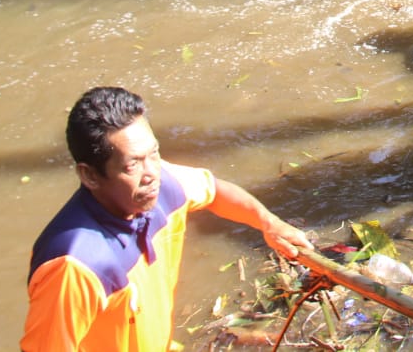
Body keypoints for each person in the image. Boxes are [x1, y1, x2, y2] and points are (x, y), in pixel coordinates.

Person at [22, 86, 311, 352]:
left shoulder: (163, 185)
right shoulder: (74, 267)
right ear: (89, 175)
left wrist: (268, 223)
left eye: (154, 153)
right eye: (132, 164)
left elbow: (215, 192)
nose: (151, 173)